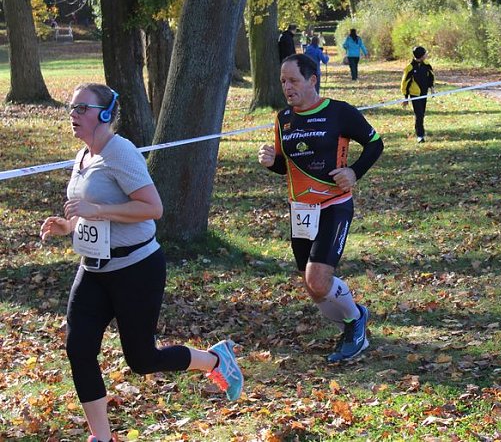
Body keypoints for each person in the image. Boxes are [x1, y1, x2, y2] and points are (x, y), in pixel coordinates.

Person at [39, 84, 243, 442]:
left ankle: (215, 360)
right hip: (93, 269)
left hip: (135, 270)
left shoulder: (121, 152)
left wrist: (97, 210)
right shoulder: (83, 156)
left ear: (105, 114)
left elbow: (153, 208)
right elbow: (88, 213)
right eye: (71, 107)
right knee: (78, 348)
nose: (73, 114)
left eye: (81, 108)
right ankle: (102, 437)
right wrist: (67, 226)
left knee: (142, 360)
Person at [257, 54, 383, 362]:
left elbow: (375, 143)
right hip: (300, 210)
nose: (287, 87)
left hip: (333, 206)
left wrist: (354, 171)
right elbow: (289, 167)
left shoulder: (338, 112)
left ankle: (355, 323)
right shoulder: (282, 119)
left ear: (312, 80)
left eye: (294, 80)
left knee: (317, 280)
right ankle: (354, 323)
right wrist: (272, 162)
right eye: (283, 81)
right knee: (313, 287)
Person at [400, 46, 435, 143]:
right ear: (420, 55)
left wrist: (432, 88)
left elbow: (431, 77)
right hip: (414, 94)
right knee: (418, 114)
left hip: (424, 93)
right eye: (425, 54)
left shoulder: (427, 65)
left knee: (422, 113)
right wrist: (405, 97)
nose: (426, 55)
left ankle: (420, 130)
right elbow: (405, 83)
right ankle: (420, 135)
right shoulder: (409, 68)